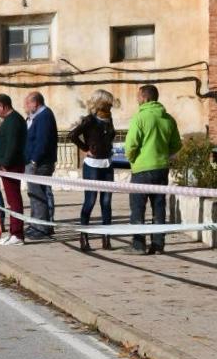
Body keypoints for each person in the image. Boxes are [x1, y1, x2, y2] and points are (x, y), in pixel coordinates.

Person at [123, 84, 182, 255]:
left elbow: (131, 145)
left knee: (138, 207)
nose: (137, 99)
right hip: (161, 168)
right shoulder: (168, 119)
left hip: (142, 169)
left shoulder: (140, 118)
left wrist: (133, 159)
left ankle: (138, 245)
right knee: (159, 207)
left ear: (145, 98)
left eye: (138, 96)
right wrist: (162, 154)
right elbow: (176, 144)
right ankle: (158, 245)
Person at [67, 89, 116, 252]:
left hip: (107, 163)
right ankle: (84, 237)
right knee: (91, 201)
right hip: (92, 165)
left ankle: (106, 238)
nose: (110, 106)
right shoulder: (89, 120)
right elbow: (72, 135)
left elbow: (111, 136)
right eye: (107, 103)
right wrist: (85, 148)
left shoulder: (109, 119)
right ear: (100, 103)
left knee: (107, 202)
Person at [0, 93, 27, 246]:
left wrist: (5, 162)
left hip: (11, 165)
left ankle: (17, 234)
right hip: (7, 165)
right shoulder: (9, 120)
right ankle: (14, 232)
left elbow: (13, 145)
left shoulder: (13, 121)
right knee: (12, 200)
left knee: (14, 200)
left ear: (2, 106)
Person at [24, 91, 58, 240]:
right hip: (35, 161)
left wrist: (34, 160)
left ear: (35, 103)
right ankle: (36, 224)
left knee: (39, 194)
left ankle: (42, 228)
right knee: (34, 195)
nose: (25, 107)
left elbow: (42, 141)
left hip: (40, 163)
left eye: (27, 104)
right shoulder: (37, 116)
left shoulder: (44, 117)